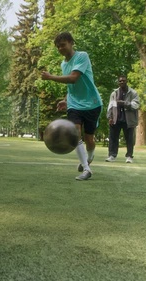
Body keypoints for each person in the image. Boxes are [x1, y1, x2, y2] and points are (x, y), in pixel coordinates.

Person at [41, 32, 103, 180]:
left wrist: (50, 77)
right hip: (75, 104)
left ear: (71, 43)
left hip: (92, 103)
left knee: (89, 139)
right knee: (75, 134)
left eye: (63, 45)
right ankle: (86, 169)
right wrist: (66, 100)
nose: (60, 48)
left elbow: (74, 78)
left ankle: (90, 156)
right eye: (58, 47)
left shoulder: (82, 56)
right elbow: (71, 86)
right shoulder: (64, 64)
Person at [106, 75, 140, 163]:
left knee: (129, 139)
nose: (122, 82)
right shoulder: (114, 93)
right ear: (118, 82)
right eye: (120, 81)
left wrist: (125, 103)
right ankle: (112, 155)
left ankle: (129, 156)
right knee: (113, 138)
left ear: (126, 81)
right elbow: (110, 106)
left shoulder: (133, 93)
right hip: (116, 118)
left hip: (128, 120)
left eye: (123, 81)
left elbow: (136, 105)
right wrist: (110, 117)